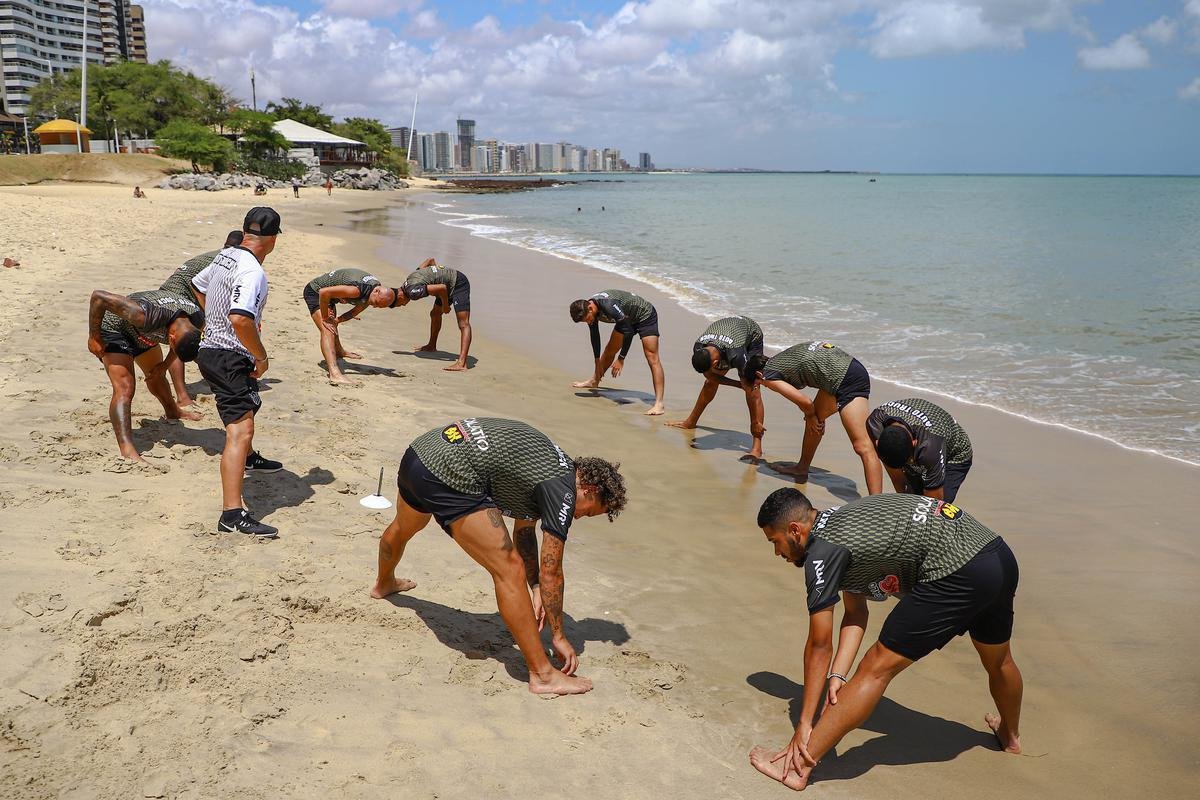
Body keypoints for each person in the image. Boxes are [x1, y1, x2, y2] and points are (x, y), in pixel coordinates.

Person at [749, 488, 1023, 791]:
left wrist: (805, 724)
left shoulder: (822, 553)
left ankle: (797, 768)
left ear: (795, 530)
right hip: (996, 555)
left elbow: (819, 645)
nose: (777, 553)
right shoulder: (840, 521)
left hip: (956, 571)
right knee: (999, 660)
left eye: (775, 542)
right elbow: (855, 612)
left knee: (875, 667)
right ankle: (1010, 736)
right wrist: (838, 675)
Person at [370, 417, 627, 696]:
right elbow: (552, 571)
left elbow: (525, 534)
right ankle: (543, 675)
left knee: (406, 525)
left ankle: (384, 583)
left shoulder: (550, 464)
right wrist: (559, 636)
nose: (579, 516)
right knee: (509, 569)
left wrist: (537, 588)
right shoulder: (562, 491)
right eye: (588, 511)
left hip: (421, 454)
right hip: (449, 472)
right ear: (588, 490)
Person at [190, 207, 284, 538]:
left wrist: (211, 320)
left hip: (211, 350)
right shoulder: (252, 272)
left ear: (246, 232)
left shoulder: (226, 255)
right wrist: (261, 356)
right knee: (239, 432)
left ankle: (250, 459)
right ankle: (232, 513)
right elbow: (241, 319)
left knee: (249, 405)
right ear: (272, 239)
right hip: (229, 356)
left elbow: (197, 284)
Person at [747, 342, 882, 495]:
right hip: (847, 369)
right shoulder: (779, 361)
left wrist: (810, 415)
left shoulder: (767, 376)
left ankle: (875, 500)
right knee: (815, 419)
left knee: (863, 447)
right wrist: (811, 416)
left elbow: (805, 402)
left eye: (758, 385)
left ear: (758, 375)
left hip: (847, 380)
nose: (763, 386)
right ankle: (802, 468)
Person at [86, 288, 205, 462]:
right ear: (171, 338)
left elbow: (180, 348)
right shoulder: (143, 314)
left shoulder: (197, 319)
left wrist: (164, 366)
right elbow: (98, 297)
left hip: (143, 334)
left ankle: (173, 412)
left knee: (156, 374)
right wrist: (94, 336)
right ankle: (127, 448)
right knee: (125, 388)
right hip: (114, 329)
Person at [158, 230, 245, 409]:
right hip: (178, 295)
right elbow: (201, 286)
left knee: (199, 340)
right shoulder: (233, 261)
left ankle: (217, 378)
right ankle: (182, 396)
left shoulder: (221, 256)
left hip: (174, 292)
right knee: (183, 340)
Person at [666, 316, 765, 462]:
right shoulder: (699, 347)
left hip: (751, 336)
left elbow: (751, 389)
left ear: (716, 362)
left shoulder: (736, 355)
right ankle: (690, 422)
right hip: (727, 335)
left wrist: (745, 385)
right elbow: (710, 376)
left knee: (752, 388)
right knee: (709, 383)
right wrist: (738, 385)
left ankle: (757, 446)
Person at [568, 290, 665, 415]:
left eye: (587, 319)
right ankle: (594, 381)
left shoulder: (608, 306)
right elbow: (594, 334)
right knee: (610, 350)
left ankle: (659, 404)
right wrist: (597, 360)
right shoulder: (588, 309)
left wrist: (621, 359)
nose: (588, 322)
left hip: (644, 316)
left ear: (590, 308)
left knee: (652, 357)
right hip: (625, 318)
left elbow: (629, 332)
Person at [302, 267, 403, 385]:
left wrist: (336, 320)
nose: (374, 306)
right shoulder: (358, 290)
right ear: (377, 292)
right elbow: (324, 292)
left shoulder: (373, 293)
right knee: (327, 329)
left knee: (332, 325)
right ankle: (334, 374)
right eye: (375, 303)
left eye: (378, 306)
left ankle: (339, 351)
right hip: (315, 292)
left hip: (330, 297)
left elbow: (353, 312)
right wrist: (325, 318)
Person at [866, 398, 973, 502]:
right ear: (877, 442)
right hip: (924, 444)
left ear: (914, 443)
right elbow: (897, 477)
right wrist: (907, 497)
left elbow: (933, 503)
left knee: (939, 508)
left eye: (909, 461)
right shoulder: (876, 422)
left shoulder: (929, 447)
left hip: (956, 453)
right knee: (912, 496)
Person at [400, 257, 473, 371]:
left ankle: (462, 363)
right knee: (435, 314)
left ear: (401, 296)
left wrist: (445, 306)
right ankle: (431, 346)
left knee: (463, 323)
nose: (403, 305)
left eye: (400, 304)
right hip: (446, 284)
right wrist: (438, 273)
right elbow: (430, 261)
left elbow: (442, 288)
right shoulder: (411, 277)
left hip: (459, 283)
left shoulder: (412, 291)